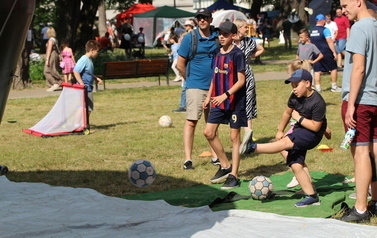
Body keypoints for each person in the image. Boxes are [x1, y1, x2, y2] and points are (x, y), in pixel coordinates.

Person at [243, 69, 326, 207]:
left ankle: (252, 147)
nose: (294, 89)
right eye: (292, 86)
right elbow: (287, 113)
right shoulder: (294, 97)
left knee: (284, 143)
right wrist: (280, 130)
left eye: (296, 85)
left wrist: (298, 117)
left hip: (312, 135)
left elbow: (316, 127)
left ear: (307, 83)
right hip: (301, 129)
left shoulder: (318, 102)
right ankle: (311, 195)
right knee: (295, 163)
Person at [337, 0, 377, 223]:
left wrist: (351, 104)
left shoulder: (360, 28)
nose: (343, 10)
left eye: (345, 4)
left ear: (358, 2)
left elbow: (358, 68)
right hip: (375, 99)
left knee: (361, 153)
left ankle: (361, 208)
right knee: (374, 149)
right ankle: (375, 201)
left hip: (361, 100)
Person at [203, 21, 246, 189]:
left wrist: (225, 95)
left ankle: (234, 175)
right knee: (208, 132)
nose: (221, 36)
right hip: (217, 101)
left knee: (234, 138)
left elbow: (241, 81)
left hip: (234, 102)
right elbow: (214, 77)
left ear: (233, 36)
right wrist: (209, 96)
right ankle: (225, 165)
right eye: (219, 33)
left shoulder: (237, 54)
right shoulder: (216, 53)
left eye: (225, 34)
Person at [177, 8, 219, 169]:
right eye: (199, 18)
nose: (202, 20)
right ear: (196, 20)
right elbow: (180, 64)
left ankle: (215, 155)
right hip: (195, 86)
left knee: (212, 122)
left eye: (205, 17)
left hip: (215, 87)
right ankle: (188, 159)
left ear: (210, 19)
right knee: (191, 121)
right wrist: (190, 81)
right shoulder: (190, 38)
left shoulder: (217, 36)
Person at [233, 18, 264, 155]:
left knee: (248, 102)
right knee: (235, 104)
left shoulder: (249, 41)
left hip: (247, 74)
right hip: (233, 75)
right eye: (245, 27)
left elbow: (261, 49)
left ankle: (248, 136)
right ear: (238, 28)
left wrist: (250, 57)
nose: (247, 29)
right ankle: (236, 137)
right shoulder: (231, 42)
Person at [310, 14, 341, 93]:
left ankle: (318, 88)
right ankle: (334, 87)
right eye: (324, 20)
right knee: (333, 68)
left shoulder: (311, 30)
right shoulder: (325, 29)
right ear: (322, 20)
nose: (325, 21)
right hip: (325, 52)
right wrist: (334, 52)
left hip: (315, 53)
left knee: (317, 71)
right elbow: (329, 41)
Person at [73, 40, 102, 124]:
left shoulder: (89, 60)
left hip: (88, 88)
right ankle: (78, 125)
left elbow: (87, 72)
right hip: (83, 88)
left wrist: (95, 77)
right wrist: (81, 84)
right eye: (97, 51)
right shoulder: (84, 59)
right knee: (85, 108)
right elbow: (76, 71)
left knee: (87, 108)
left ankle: (83, 124)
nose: (98, 53)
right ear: (92, 50)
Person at [172, 20, 195, 113]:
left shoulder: (191, 35)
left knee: (186, 87)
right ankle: (184, 105)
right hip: (186, 63)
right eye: (185, 25)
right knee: (185, 86)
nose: (186, 26)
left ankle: (184, 106)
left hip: (189, 64)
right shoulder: (187, 34)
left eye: (187, 25)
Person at [44, 27, 62, 92]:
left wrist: (47, 59)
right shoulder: (55, 40)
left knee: (47, 70)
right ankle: (53, 84)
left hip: (52, 55)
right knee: (52, 69)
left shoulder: (51, 40)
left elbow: (49, 50)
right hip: (55, 55)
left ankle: (56, 82)